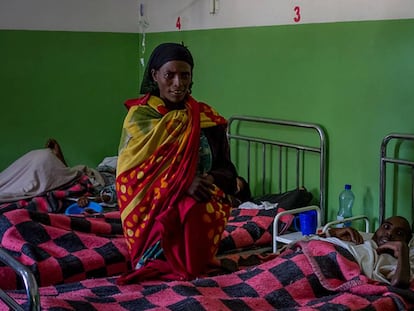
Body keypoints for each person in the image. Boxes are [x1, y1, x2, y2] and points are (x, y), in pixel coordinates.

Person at [115, 42, 239, 283]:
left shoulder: (207, 119)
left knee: (195, 204)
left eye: (185, 75)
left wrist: (208, 180)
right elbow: (129, 178)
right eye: (169, 75)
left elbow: (229, 173)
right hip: (154, 211)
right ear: (155, 75)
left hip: (201, 208)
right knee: (185, 205)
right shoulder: (140, 119)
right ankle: (156, 259)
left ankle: (192, 261)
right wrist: (183, 183)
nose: (178, 83)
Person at [318, 216, 412, 288]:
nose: (390, 233)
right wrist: (332, 233)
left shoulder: (394, 261)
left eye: (399, 233)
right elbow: (309, 240)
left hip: (329, 269)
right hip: (317, 254)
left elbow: (399, 285)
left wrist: (403, 252)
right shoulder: (357, 239)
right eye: (386, 227)